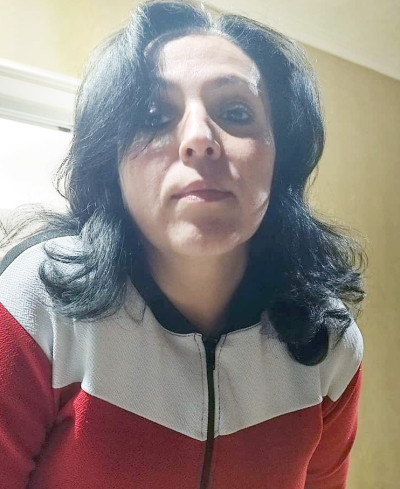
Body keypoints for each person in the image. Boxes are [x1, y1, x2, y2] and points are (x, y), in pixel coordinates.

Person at [0, 1, 366, 487]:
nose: (198, 138)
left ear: (281, 157)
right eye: (154, 114)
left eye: (236, 112)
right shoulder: (34, 305)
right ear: (112, 159)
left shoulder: (328, 339)